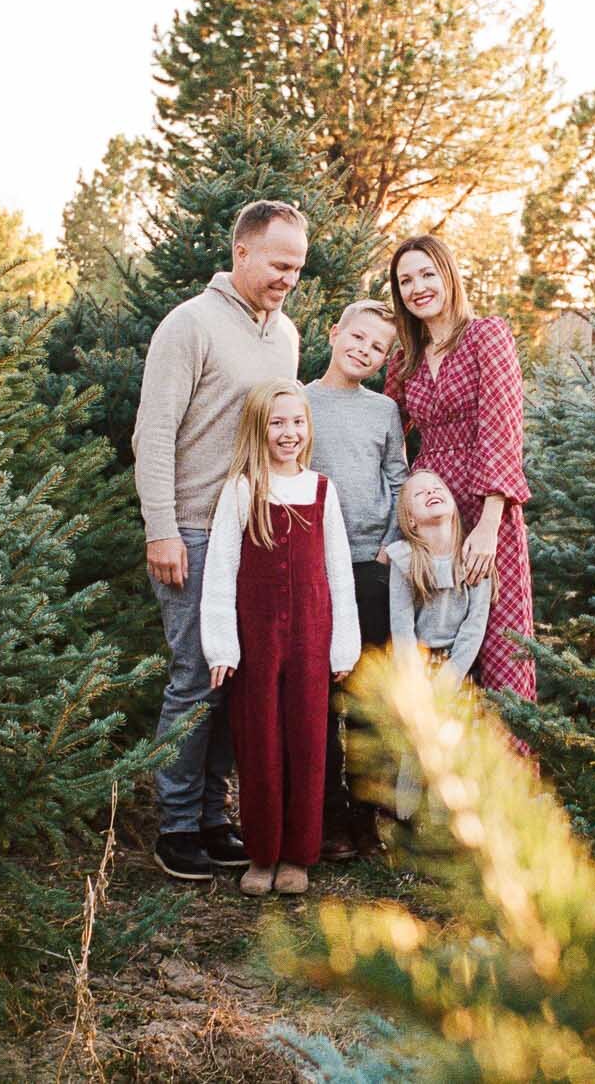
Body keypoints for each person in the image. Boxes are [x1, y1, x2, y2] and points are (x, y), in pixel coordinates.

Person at [134, 200, 307, 882]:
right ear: (242, 252)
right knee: (193, 679)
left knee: (236, 681)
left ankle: (212, 816)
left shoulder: (284, 336)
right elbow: (153, 434)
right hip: (194, 530)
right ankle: (174, 826)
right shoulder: (190, 324)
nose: (288, 277)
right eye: (278, 263)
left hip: (254, 531)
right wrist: (162, 530)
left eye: (297, 267)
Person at [200, 381, 362, 896]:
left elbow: (339, 574)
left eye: (297, 422)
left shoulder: (321, 490)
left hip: (312, 638)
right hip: (258, 638)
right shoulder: (243, 490)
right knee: (259, 742)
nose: (289, 432)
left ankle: (299, 854)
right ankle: (263, 852)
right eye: (277, 423)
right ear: (258, 429)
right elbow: (221, 571)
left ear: (308, 427)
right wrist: (222, 647)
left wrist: (343, 647)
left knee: (309, 742)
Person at [383, 234, 537, 706]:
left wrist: (490, 524)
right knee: (437, 641)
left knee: (501, 642)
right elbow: (386, 435)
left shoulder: (486, 336)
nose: (418, 287)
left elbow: (502, 427)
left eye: (427, 273)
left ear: (448, 275)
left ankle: (507, 773)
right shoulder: (404, 359)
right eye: (406, 280)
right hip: (431, 513)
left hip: (486, 503)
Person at [303, 300, 406, 859]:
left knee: (365, 695)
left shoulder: (383, 410)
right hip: (315, 565)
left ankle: (369, 816)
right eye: (357, 338)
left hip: (371, 565)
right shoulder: (299, 399)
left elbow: (399, 478)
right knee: (319, 696)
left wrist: (391, 544)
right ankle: (327, 819)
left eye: (377, 348)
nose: (363, 351)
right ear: (335, 331)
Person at [384, 468, 494, 818]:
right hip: (419, 662)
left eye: (437, 487)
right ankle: (405, 822)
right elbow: (401, 626)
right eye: (420, 493)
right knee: (417, 744)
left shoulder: (474, 557)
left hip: (459, 667)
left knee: (455, 744)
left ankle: (445, 825)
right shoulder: (404, 559)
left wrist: (452, 675)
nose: (431, 492)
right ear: (411, 520)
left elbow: (474, 626)